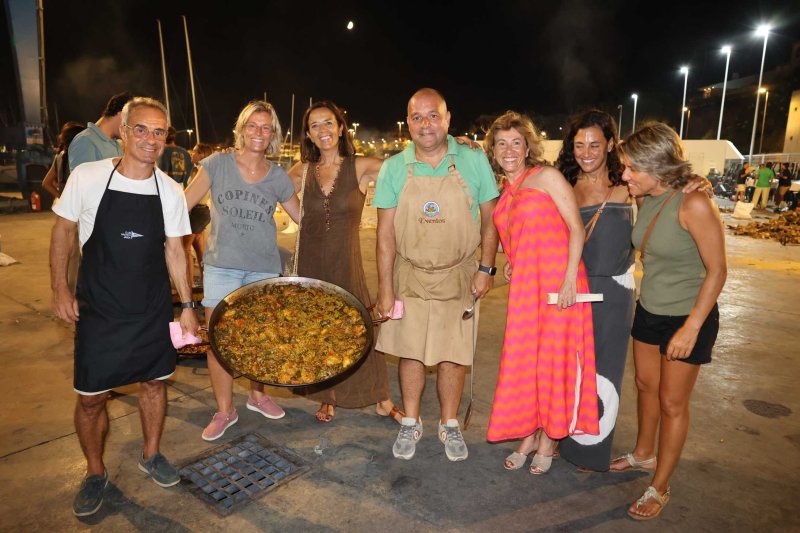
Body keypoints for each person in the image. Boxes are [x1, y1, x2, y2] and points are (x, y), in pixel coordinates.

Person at [50, 97, 198, 517]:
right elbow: (62, 233)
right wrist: (61, 289)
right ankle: (95, 472)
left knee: (154, 384)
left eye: (159, 132)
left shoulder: (169, 190)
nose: (150, 139)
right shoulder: (88, 176)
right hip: (99, 309)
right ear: (124, 131)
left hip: (150, 309)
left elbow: (175, 251)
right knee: (92, 398)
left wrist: (187, 304)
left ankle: (151, 454)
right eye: (141, 129)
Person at [374, 88, 499, 462]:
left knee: (452, 354)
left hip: (459, 274)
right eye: (417, 117)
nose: (425, 124)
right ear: (408, 123)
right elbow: (384, 236)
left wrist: (486, 267)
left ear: (447, 119)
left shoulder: (473, 161)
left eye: (433, 116)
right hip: (409, 274)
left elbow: (492, 220)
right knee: (410, 352)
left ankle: (449, 422)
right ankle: (411, 420)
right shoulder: (394, 167)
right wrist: (385, 289)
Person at [612, 123, 726, 521]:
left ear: (656, 166)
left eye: (630, 168)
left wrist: (692, 327)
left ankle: (660, 486)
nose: (624, 175)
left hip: (686, 316)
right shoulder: (646, 196)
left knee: (672, 402)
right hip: (650, 309)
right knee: (645, 385)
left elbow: (717, 271)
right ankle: (644, 454)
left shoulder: (694, 203)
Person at [485, 111, 599, 474]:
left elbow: (576, 230)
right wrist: (513, 262)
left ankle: (550, 439)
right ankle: (531, 433)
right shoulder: (505, 192)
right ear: (493, 149)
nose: (509, 150)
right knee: (528, 362)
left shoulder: (546, 177)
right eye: (501, 143)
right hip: (526, 290)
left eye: (516, 142)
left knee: (555, 363)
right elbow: (521, 240)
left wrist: (568, 279)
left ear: (528, 146)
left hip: (559, 286)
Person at [185, 100, 301, 442]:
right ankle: (225, 409)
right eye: (253, 125)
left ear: (274, 135)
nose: (259, 133)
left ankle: (257, 394)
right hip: (221, 265)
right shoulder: (217, 163)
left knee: (259, 336)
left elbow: (302, 219)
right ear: (241, 128)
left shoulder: (278, 176)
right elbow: (183, 204)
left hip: (263, 267)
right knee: (218, 340)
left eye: (266, 128)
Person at [287, 100, 404, 424]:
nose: (322, 131)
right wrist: (303, 218)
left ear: (341, 128)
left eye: (329, 123)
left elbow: (408, 168)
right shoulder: (303, 170)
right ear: (308, 135)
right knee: (318, 330)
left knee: (358, 328)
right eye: (315, 126)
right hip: (311, 261)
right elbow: (274, 189)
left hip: (346, 260)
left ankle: (381, 397)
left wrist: (455, 150)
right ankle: (328, 397)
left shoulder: (362, 166)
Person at [553, 109, 634, 472]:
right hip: (576, 291)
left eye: (595, 144)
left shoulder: (629, 185)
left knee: (605, 371)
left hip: (615, 293)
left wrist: (696, 181)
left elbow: (667, 195)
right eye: (579, 144)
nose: (586, 152)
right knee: (572, 369)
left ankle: (593, 449)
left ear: (611, 145)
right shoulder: (565, 184)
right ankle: (563, 436)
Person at [68, 92, 133, 171]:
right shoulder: (85, 140)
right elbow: (83, 181)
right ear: (121, 115)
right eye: (130, 121)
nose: (130, 128)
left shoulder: (116, 143)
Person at [183, 143, 214, 288]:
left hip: (197, 212)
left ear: (202, 154)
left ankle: (188, 284)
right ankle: (205, 282)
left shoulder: (202, 171)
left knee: (185, 249)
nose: (191, 154)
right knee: (200, 250)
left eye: (194, 151)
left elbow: (191, 193)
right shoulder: (201, 170)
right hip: (203, 212)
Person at [42, 122, 87, 199]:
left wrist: (62, 198)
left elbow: (46, 183)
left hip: (67, 206)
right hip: (80, 203)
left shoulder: (58, 156)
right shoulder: (79, 156)